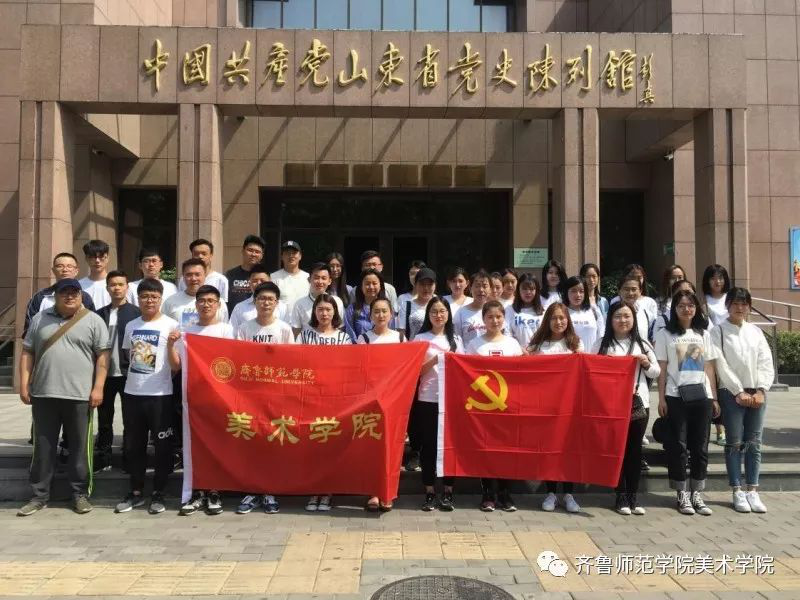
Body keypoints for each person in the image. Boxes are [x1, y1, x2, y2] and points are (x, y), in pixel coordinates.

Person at [17, 278, 110, 517]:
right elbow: (27, 352)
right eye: (64, 292)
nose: (70, 296)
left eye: (74, 293)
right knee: (43, 447)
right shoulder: (40, 318)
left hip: (79, 396)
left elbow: (103, 357)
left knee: (80, 447)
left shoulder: (93, 320)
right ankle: (39, 496)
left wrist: (98, 388)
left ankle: (80, 494)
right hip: (44, 394)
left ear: (80, 295)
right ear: (56, 295)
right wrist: (24, 384)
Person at [168, 285, 235, 517]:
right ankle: (196, 491)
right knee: (194, 446)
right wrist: (170, 345)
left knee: (217, 445)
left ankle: (215, 491)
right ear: (195, 305)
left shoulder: (227, 330)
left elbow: (233, 363)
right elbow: (176, 365)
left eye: (211, 301)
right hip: (192, 399)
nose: (206, 305)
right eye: (202, 301)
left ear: (218, 304)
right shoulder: (186, 332)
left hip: (219, 398)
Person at [116, 279, 179, 515]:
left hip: (161, 395)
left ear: (161, 299)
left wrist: (171, 346)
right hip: (133, 394)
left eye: (154, 297)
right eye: (144, 296)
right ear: (138, 299)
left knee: (163, 447)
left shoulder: (171, 325)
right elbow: (128, 356)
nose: (149, 301)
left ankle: (159, 492)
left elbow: (176, 366)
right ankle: (135, 492)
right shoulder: (131, 325)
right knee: (134, 446)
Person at [655, 289, 720, 516]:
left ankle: (697, 493)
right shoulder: (665, 334)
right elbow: (662, 369)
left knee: (700, 447)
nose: (686, 309)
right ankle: (681, 493)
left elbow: (709, 367)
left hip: (702, 396)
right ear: (674, 309)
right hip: (675, 396)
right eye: (681, 305)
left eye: (690, 305)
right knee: (679, 446)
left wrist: (714, 397)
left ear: (696, 308)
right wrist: (661, 398)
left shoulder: (704, 334)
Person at [710, 287, 774, 514]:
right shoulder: (717, 331)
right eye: (735, 303)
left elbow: (766, 361)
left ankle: (752, 490)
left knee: (754, 443)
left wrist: (762, 389)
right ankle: (737, 489)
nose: (740, 307)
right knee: (734, 443)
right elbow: (720, 365)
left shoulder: (755, 331)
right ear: (727, 305)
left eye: (744, 304)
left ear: (749, 307)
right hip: (731, 394)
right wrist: (738, 391)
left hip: (757, 393)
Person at [593, 301, 660, 516]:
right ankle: (620, 495)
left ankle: (633, 496)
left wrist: (646, 363)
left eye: (627, 316)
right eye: (618, 316)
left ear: (633, 319)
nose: (623, 320)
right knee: (617, 451)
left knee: (634, 451)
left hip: (638, 404)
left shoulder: (643, 344)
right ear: (610, 320)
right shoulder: (601, 344)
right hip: (611, 406)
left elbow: (656, 372)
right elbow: (591, 373)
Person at [232, 282, 292, 516]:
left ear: (276, 303)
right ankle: (251, 490)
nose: (266, 303)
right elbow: (238, 360)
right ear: (254, 301)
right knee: (252, 442)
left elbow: (291, 363)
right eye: (262, 298)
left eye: (270, 299)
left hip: (276, 395)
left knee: (272, 443)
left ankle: (269, 490)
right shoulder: (244, 329)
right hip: (250, 396)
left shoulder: (284, 329)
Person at [466, 300, 524, 512]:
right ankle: (488, 493)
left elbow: (522, 375)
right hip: (484, 408)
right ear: (483, 319)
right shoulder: (474, 345)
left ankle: (505, 493)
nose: (494, 320)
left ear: (504, 318)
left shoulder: (512, 344)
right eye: (490, 317)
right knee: (486, 450)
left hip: (508, 407)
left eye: (498, 316)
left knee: (507, 450)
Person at [297, 294, 353, 512]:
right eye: (320, 309)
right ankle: (314, 491)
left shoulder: (344, 338)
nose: (324, 313)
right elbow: (296, 363)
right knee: (312, 446)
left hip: (334, 399)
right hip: (310, 398)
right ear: (314, 312)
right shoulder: (305, 336)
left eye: (328, 309)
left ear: (335, 312)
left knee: (330, 445)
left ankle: (328, 491)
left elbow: (348, 369)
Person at [528, 302, 583, 513]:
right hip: (546, 406)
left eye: (562, 318)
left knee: (569, 450)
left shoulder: (575, 344)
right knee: (549, 449)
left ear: (568, 320)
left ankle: (568, 494)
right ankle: (550, 492)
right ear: (547, 321)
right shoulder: (538, 345)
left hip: (570, 406)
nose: (558, 322)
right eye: (554, 318)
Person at [415, 296, 463, 512]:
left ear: (448, 314)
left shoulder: (457, 340)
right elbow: (415, 371)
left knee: (449, 446)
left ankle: (448, 491)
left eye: (442, 311)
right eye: (434, 311)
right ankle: (429, 491)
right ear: (428, 315)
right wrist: (436, 360)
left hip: (451, 400)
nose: (438, 315)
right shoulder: (420, 338)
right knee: (428, 446)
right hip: (427, 398)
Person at [94, 270, 141, 473]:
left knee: (130, 419)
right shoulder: (99, 314)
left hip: (127, 373)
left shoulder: (136, 313)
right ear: (107, 288)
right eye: (113, 285)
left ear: (127, 287)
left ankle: (128, 458)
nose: (117, 288)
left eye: (121, 284)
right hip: (104, 374)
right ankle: (103, 457)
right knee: (104, 419)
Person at [357, 297, 401, 511]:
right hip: (371, 400)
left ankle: (388, 493)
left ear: (391, 314)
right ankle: (373, 492)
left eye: (384, 311)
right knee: (372, 447)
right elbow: (359, 369)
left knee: (391, 447)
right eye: (376, 311)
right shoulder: (364, 338)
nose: (381, 315)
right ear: (370, 315)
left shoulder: (400, 338)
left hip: (394, 399)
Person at [24, 253, 95, 336]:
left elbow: (93, 327)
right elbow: (29, 330)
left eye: (69, 266)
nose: (65, 270)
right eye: (60, 266)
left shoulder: (85, 297)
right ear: (53, 270)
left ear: (76, 271)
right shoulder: (40, 297)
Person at [162, 258, 229, 329]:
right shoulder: (170, 301)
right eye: (189, 275)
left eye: (197, 274)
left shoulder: (217, 302)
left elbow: (223, 329)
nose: (193, 279)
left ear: (205, 275)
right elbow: (164, 328)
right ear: (183, 277)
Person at [228, 264, 289, 331]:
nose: (259, 283)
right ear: (249, 283)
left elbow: (286, 331)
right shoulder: (240, 307)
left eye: (262, 281)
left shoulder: (282, 307)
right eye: (255, 281)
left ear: (270, 281)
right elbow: (232, 332)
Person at [290, 262, 344, 337]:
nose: (320, 281)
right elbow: (296, 333)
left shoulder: (337, 301)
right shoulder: (299, 304)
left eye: (323, 278)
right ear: (309, 279)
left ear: (329, 281)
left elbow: (340, 328)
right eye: (316, 278)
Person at [344, 269, 391, 342]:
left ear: (380, 285)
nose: (371, 287)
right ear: (361, 286)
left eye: (374, 283)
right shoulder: (352, 309)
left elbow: (392, 330)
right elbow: (350, 336)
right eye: (367, 284)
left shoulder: (387, 307)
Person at [561, 276, 605, 352]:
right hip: (570, 357)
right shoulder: (562, 312)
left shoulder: (594, 310)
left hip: (592, 357)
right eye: (573, 291)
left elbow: (601, 336)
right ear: (566, 292)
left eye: (581, 291)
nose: (578, 295)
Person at [225, 234, 266, 312]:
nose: (253, 254)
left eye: (257, 252)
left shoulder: (266, 277)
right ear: (243, 251)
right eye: (250, 250)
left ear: (262, 255)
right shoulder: (229, 275)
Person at [453, 270, 492, 347]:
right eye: (477, 286)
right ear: (470, 288)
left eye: (484, 286)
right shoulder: (461, 312)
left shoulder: (495, 311)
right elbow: (457, 339)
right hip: (469, 353)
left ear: (490, 289)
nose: (481, 290)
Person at [505, 273, 544, 348]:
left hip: (539, 352)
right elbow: (507, 334)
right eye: (524, 289)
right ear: (518, 290)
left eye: (531, 289)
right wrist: (519, 349)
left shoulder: (543, 312)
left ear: (537, 291)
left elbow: (547, 335)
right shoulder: (509, 310)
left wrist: (535, 348)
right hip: (517, 352)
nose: (528, 292)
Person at [398, 267, 437, 341]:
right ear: (415, 285)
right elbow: (402, 332)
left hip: (436, 346)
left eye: (430, 284)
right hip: (414, 346)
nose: (426, 288)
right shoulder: (406, 306)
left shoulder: (441, 304)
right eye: (422, 284)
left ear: (435, 285)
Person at [617, 275, 658, 344]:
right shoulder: (612, 314)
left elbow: (653, 339)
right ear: (619, 291)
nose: (630, 293)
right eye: (626, 289)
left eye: (634, 289)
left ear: (640, 291)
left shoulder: (648, 315)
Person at [271, 240, 310, 311]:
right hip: (282, 318)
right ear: (281, 256)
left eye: (294, 253)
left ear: (300, 256)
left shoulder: (308, 277)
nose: (291, 256)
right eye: (287, 253)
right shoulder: (273, 277)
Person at [79, 239, 111, 309]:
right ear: (86, 259)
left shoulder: (115, 284)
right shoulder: (79, 285)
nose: (97, 261)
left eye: (101, 257)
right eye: (93, 257)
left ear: (107, 258)